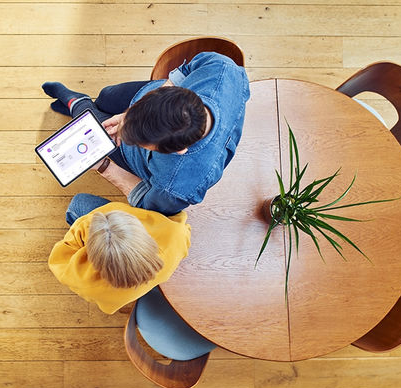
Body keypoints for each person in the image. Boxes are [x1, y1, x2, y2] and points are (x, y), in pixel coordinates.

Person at [42, 51, 250, 215]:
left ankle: (75, 101)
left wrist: (104, 166)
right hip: (147, 96)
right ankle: (85, 105)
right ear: (176, 93)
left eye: (141, 143)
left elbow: (146, 202)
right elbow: (186, 70)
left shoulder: (177, 185)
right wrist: (130, 113)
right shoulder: (221, 67)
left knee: (91, 122)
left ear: (178, 150)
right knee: (106, 96)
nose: (122, 128)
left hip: (138, 162)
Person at [48, 193, 215, 360]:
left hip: (119, 294)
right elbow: (181, 224)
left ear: (95, 256)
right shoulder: (174, 236)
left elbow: (59, 257)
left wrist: (83, 227)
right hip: (154, 278)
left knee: (79, 203)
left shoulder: (83, 280)